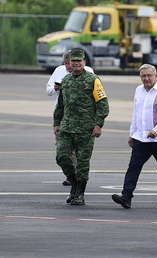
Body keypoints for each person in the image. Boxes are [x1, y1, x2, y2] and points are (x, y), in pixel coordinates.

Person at [112, 64, 157, 209]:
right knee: (133, 167)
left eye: (149, 75)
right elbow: (136, 114)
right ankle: (126, 197)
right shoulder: (138, 90)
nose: (146, 78)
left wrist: (156, 130)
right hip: (141, 138)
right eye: (143, 76)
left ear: (155, 76)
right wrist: (132, 134)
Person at [53, 48, 109, 206]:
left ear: (84, 62)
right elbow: (60, 105)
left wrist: (98, 125)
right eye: (73, 61)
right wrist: (57, 123)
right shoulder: (66, 81)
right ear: (69, 63)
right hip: (67, 128)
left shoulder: (93, 80)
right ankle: (74, 184)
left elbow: (103, 105)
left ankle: (79, 194)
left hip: (86, 129)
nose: (76, 64)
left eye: (79, 61)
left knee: (82, 164)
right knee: (62, 157)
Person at [46, 51, 94, 186]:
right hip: (64, 116)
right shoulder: (60, 72)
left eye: (71, 63)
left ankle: (78, 180)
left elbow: (96, 94)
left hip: (82, 117)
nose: (68, 66)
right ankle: (71, 175)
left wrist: (97, 122)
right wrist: (56, 88)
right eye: (66, 63)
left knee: (80, 151)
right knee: (62, 152)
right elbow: (49, 91)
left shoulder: (89, 73)